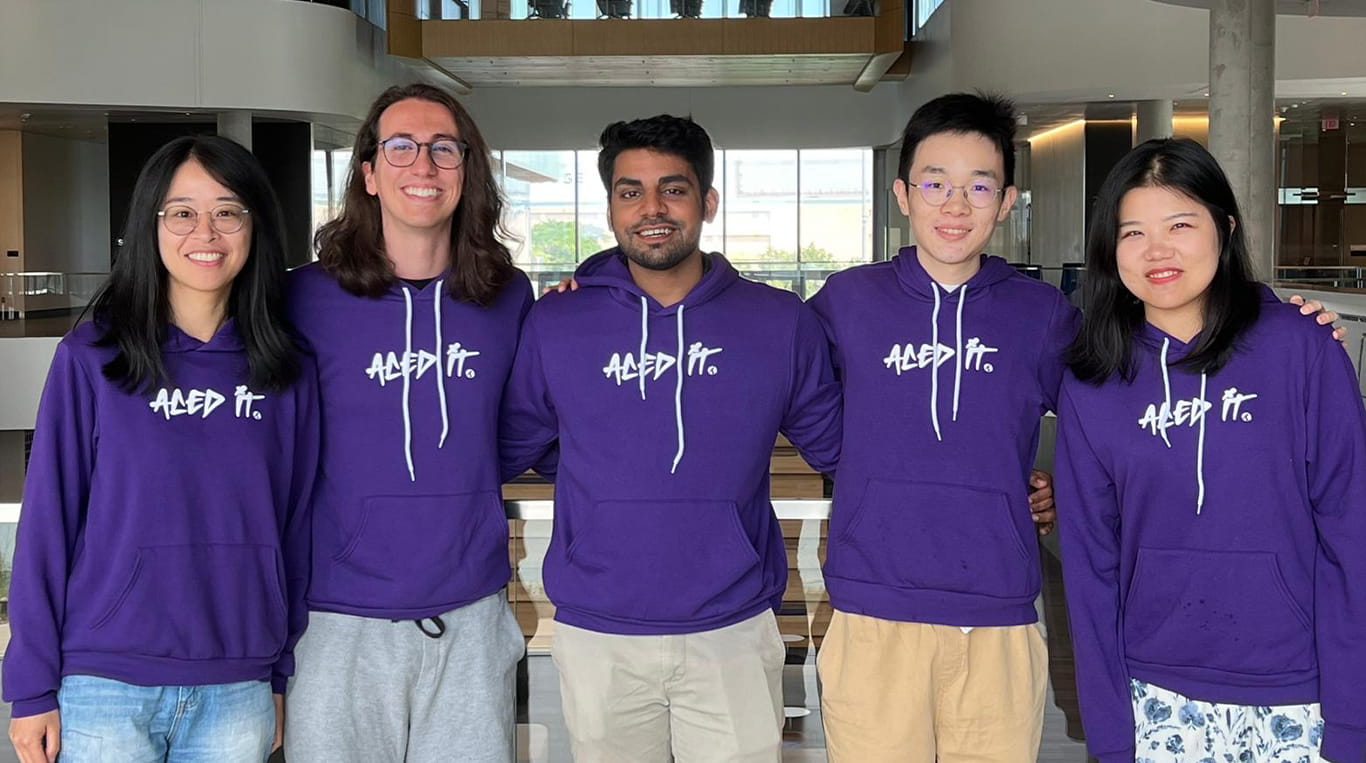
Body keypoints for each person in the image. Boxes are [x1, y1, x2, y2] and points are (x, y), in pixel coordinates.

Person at [498, 114, 842, 762]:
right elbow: (508, 444)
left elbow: (847, 447)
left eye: (673, 189)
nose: (651, 208)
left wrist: (998, 471)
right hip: (598, 633)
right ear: (610, 207)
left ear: (708, 201)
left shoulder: (778, 322)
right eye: (631, 191)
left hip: (734, 629)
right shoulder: (557, 323)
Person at [3, 135, 318, 763]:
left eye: (228, 210)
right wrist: (31, 685)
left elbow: (295, 526)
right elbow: (47, 522)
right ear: (151, 225)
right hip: (104, 684)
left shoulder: (288, 369)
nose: (206, 231)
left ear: (255, 224)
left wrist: (280, 670)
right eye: (182, 212)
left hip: (238, 682)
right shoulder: (93, 358)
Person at [1056, 137, 1366, 763]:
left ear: (1225, 228)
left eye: (1180, 224)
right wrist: (1111, 734)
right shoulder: (1093, 380)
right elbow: (1090, 568)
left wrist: (1354, 720)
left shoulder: (1301, 349)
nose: (1156, 250)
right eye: (1132, 232)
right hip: (1156, 693)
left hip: (1296, 693)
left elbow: (1352, 536)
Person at [808, 92, 1069, 763]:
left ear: (1007, 200)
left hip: (998, 613)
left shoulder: (1042, 313)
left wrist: (1057, 485)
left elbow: (1113, 416)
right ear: (903, 194)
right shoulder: (847, 300)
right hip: (872, 607)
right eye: (936, 183)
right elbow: (758, 355)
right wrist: (605, 281)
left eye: (979, 186)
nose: (956, 205)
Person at [282, 83, 531, 763]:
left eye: (443, 148)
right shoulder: (301, 297)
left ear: (467, 168)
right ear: (368, 172)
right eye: (401, 146)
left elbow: (524, 425)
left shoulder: (509, 295)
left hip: (471, 613)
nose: (423, 165)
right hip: (335, 621)